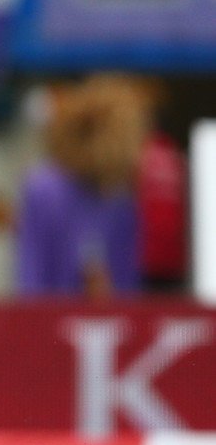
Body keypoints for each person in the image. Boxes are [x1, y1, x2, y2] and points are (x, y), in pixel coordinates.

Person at [16, 74, 150, 297]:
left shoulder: (122, 202)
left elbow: (126, 287)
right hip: (49, 314)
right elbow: (31, 278)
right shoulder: (43, 190)